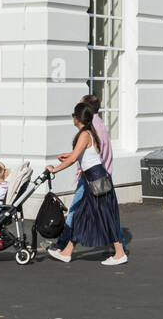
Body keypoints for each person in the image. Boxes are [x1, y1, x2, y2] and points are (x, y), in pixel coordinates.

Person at [47, 102, 127, 265]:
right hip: (95, 179)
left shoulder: (84, 134)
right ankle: (67, 252)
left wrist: (54, 170)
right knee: (80, 216)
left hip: (96, 181)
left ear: (77, 118)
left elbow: (74, 158)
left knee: (106, 216)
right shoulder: (89, 133)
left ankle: (120, 253)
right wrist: (69, 155)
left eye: (73, 115)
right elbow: (82, 154)